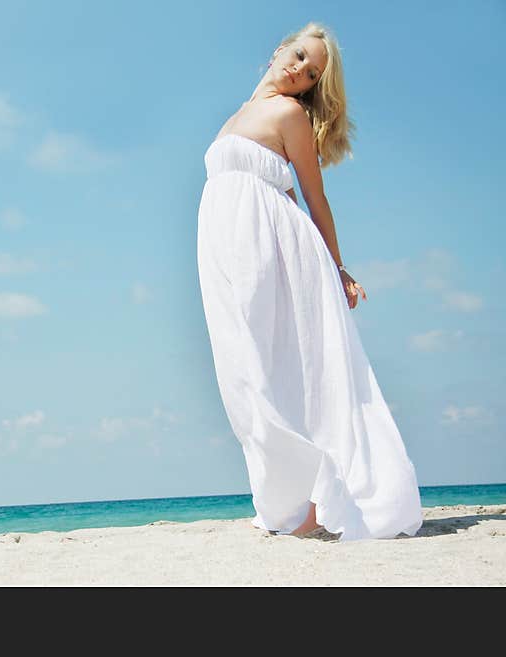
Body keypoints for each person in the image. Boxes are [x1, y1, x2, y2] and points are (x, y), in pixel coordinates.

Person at [196, 22, 423, 541]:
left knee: (281, 368)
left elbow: (311, 199)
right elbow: (274, 188)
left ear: (308, 89)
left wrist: (337, 267)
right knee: (241, 370)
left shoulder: (289, 113)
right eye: (298, 56)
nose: (300, 70)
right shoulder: (235, 117)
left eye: (311, 73)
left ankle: (318, 507)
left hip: (274, 251)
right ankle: (291, 499)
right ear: (279, 49)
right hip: (226, 251)